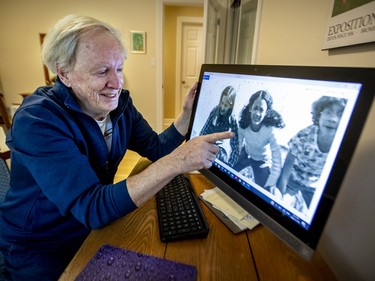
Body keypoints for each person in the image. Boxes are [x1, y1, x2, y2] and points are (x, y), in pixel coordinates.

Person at [0, 14, 233, 280]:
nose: (117, 83)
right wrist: (180, 160)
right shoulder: (38, 120)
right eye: (102, 71)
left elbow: (156, 149)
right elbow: (91, 206)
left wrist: (184, 117)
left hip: (92, 229)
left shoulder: (120, 105)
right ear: (64, 73)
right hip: (40, 246)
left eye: (119, 68)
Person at [276, 96, 347, 211]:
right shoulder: (304, 135)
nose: (333, 119)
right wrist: (279, 198)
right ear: (319, 114)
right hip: (292, 179)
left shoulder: (343, 144)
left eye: (340, 114)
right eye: (328, 112)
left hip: (313, 186)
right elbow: (286, 171)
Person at [229, 90, 285, 189]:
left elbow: (277, 161)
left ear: (266, 112)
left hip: (262, 161)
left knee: (265, 190)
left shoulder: (270, 130)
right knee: (228, 171)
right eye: (255, 108)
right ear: (250, 108)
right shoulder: (243, 125)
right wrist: (233, 161)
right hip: (245, 154)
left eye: (261, 110)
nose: (257, 113)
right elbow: (238, 146)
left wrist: (271, 183)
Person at [200, 86, 237, 163]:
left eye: (226, 105)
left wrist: (230, 165)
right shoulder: (215, 110)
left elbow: (235, 146)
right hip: (209, 143)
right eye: (222, 103)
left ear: (231, 106)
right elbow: (204, 130)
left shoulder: (233, 120)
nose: (222, 107)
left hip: (221, 150)